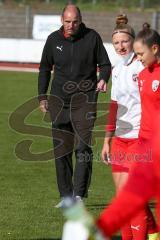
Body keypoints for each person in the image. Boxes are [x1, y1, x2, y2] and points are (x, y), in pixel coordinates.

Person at [38, 4, 111, 208]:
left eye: (75, 21)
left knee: (82, 148)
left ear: (80, 20)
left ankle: (78, 195)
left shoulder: (92, 37)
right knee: (62, 151)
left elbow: (104, 64)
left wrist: (103, 78)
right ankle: (66, 197)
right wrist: (42, 96)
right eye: (68, 21)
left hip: (85, 102)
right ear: (62, 20)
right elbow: (45, 67)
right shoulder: (53, 39)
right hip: (59, 102)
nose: (71, 25)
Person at [96, 23, 160, 239]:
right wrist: (107, 140)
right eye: (116, 43)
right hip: (120, 140)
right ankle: (153, 233)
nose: (121, 46)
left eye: (124, 41)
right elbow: (114, 106)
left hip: (139, 139)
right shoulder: (117, 69)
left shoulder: (142, 67)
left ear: (133, 41)